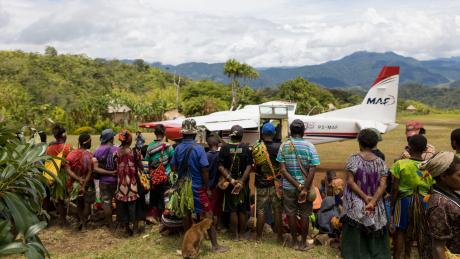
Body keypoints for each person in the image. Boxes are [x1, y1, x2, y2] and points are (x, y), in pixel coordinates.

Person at [171, 119, 228, 253]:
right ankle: (215, 246)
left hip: (182, 188)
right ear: (195, 134)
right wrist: (207, 188)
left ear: (183, 133)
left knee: (186, 215)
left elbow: (173, 167)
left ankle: (188, 241)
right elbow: (205, 170)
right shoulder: (199, 148)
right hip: (198, 188)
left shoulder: (177, 148)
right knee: (209, 215)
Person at [341, 129, 390, 259]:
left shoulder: (353, 159)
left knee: (355, 224)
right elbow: (383, 185)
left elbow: (350, 182)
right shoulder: (381, 162)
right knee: (375, 226)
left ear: (360, 143)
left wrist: (364, 197)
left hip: (356, 202)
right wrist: (373, 201)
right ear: (375, 144)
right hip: (375, 204)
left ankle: (354, 254)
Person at [276, 119, 320, 251]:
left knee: (291, 213)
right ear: (303, 132)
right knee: (306, 214)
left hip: (289, 187)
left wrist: (297, 186)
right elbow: (313, 169)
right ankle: (303, 243)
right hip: (305, 189)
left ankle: (294, 242)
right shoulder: (310, 146)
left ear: (291, 131)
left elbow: (283, 170)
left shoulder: (284, 146)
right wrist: (304, 188)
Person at [390, 134, 434, 259]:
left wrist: (393, 205)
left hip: (404, 201)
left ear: (408, 147)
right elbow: (431, 189)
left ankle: (399, 256)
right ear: (426, 149)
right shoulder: (429, 166)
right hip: (424, 201)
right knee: (423, 233)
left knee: (401, 232)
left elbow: (395, 188)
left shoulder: (400, 164)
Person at [420, 152, 460, 259]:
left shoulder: (452, 194)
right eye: (459, 175)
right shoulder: (439, 205)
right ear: (443, 176)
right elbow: (438, 247)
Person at [218, 125, 252, 241]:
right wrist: (241, 181)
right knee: (242, 209)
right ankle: (242, 234)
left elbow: (220, 166)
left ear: (230, 135)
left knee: (232, 209)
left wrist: (231, 180)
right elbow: (249, 166)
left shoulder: (224, 148)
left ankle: (235, 236)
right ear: (242, 136)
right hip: (242, 184)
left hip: (230, 184)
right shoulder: (246, 148)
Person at [252, 122, 283, 242]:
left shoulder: (257, 147)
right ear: (274, 133)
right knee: (277, 210)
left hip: (261, 183)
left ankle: (259, 237)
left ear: (262, 133)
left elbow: (256, 166)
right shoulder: (280, 147)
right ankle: (279, 237)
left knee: (260, 210)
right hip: (276, 183)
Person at [114, 130, 144, 236]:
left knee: (122, 207)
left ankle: (127, 230)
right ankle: (135, 230)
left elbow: (115, 166)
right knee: (134, 207)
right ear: (130, 139)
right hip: (133, 184)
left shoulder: (116, 152)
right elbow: (140, 166)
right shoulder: (135, 152)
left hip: (121, 184)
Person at [145, 124, 174, 223]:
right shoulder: (168, 146)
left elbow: (147, 162)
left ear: (155, 133)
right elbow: (173, 161)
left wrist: (150, 175)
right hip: (165, 176)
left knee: (155, 197)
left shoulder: (149, 147)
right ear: (164, 133)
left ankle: (154, 216)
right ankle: (164, 218)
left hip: (154, 177)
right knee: (165, 198)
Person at [65, 134, 95, 230]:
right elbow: (90, 171)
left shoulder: (72, 154)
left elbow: (67, 168)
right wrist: (84, 182)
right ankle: (85, 224)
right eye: (90, 141)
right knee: (87, 204)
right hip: (87, 183)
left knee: (79, 203)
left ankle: (82, 221)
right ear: (87, 142)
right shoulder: (89, 155)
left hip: (75, 183)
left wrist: (77, 179)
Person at [46, 124, 72, 226]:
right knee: (68, 198)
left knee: (59, 199)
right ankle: (66, 219)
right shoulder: (68, 147)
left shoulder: (49, 148)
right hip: (66, 174)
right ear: (63, 135)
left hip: (55, 175)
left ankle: (62, 219)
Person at [93, 129, 118, 228]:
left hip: (104, 182)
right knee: (118, 201)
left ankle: (110, 223)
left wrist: (108, 173)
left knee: (106, 203)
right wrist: (112, 172)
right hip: (117, 181)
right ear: (111, 138)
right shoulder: (117, 149)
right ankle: (119, 222)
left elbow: (95, 169)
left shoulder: (97, 150)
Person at [206, 135, 224, 230]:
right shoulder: (220, 155)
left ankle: (210, 227)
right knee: (218, 207)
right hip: (220, 186)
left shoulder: (206, 156)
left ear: (208, 145)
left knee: (210, 208)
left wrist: (207, 188)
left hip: (210, 187)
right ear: (217, 144)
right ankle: (217, 226)